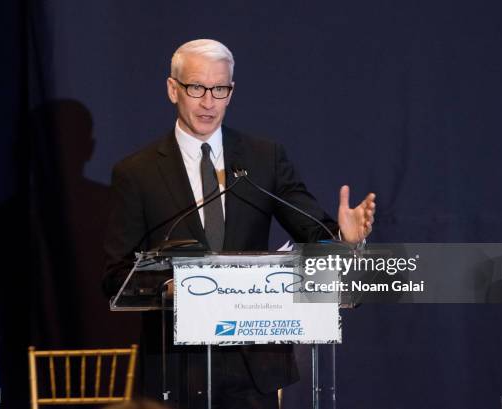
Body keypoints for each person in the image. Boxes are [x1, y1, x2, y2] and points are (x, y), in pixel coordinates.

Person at [103, 39, 376, 409]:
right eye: (196, 87)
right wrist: (171, 287)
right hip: (177, 367)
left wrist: (344, 236)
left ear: (231, 92)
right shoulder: (136, 173)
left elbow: (314, 233)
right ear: (173, 89)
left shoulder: (264, 159)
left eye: (220, 89)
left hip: (254, 367)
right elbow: (116, 274)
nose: (208, 102)